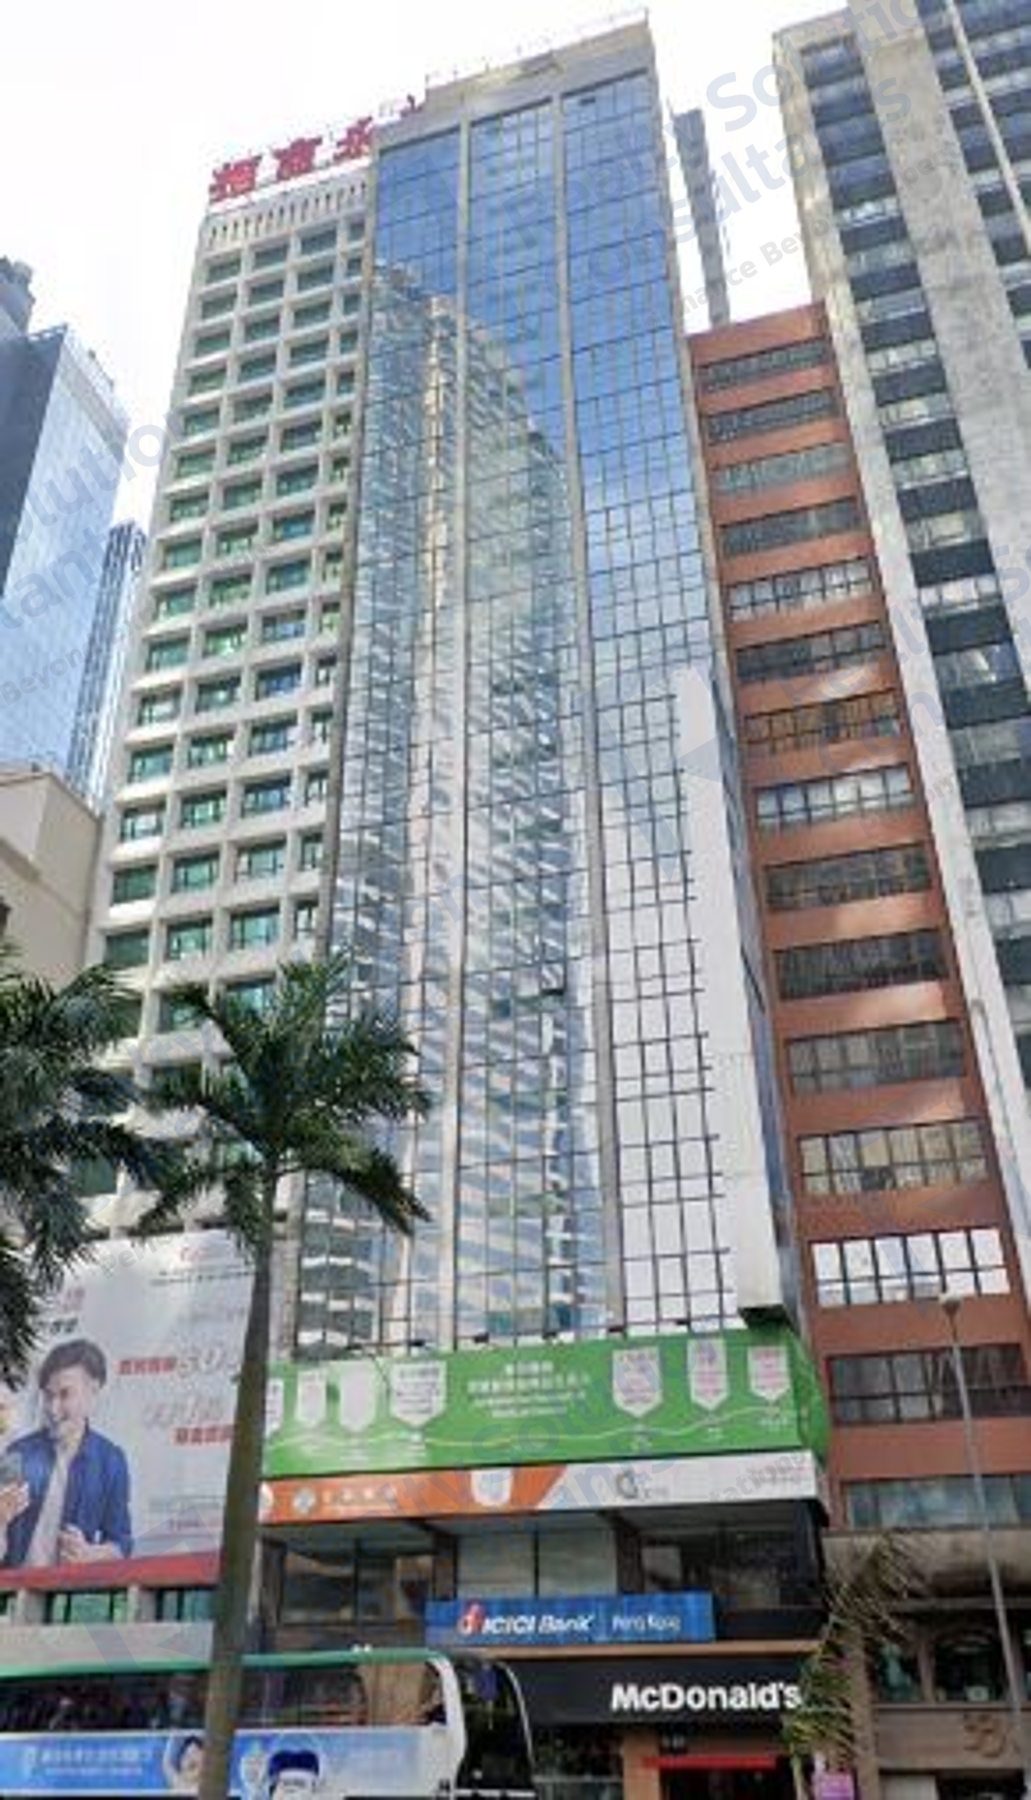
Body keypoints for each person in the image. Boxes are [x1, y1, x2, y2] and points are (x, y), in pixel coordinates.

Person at [0, 1339, 132, 1568]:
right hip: (14, 1584)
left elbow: (122, 1543)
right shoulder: (16, 1453)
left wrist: (91, 1554)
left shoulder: (111, 1461)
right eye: (48, 1396)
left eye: (65, 1394)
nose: (53, 1409)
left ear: (93, 1391)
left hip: (70, 1587)